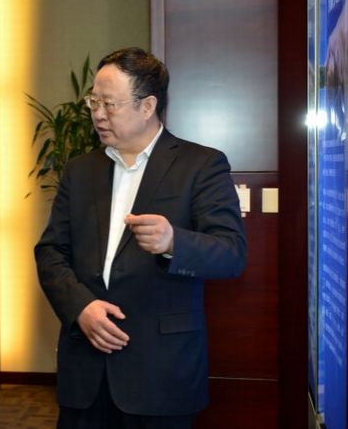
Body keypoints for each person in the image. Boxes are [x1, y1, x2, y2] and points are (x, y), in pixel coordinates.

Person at [35, 47, 247, 429]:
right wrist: (81, 307)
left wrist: (174, 242)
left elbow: (231, 253)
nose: (98, 114)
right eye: (94, 102)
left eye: (109, 104)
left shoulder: (201, 165)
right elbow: (51, 251)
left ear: (148, 106)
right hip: (86, 373)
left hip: (160, 373)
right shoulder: (80, 171)